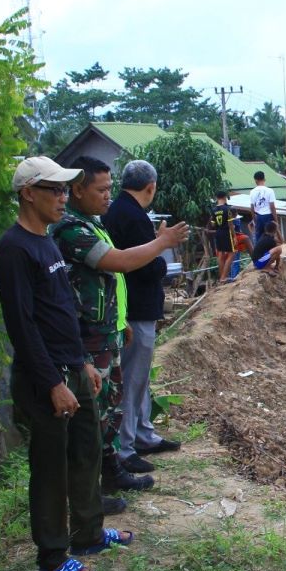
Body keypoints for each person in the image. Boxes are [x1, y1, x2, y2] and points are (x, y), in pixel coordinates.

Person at [0, 156, 133, 571]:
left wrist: (83, 363)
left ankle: (88, 534)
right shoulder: (14, 249)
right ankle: (53, 555)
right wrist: (54, 382)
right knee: (51, 467)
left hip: (73, 367)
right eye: (52, 190)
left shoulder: (47, 242)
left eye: (63, 189)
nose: (61, 197)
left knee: (86, 451)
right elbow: (24, 325)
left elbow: (63, 311)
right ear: (27, 193)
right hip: (46, 377)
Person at [52, 156, 188, 511]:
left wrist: (119, 319)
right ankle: (94, 487)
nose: (107, 195)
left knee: (111, 402)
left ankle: (112, 468)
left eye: (110, 188)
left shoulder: (95, 221)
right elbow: (121, 262)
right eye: (101, 189)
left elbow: (107, 280)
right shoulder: (72, 229)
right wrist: (162, 244)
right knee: (97, 410)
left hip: (111, 325)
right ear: (77, 189)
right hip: (92, 336)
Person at [102, 160, 183, 477]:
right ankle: (126, 447)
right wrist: (163, 260)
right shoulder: (133, 217)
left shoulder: (119, 212)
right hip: (135, 310)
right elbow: (146, 265)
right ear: (150, 187)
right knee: (132, 379)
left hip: (132, 308)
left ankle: (143, 434)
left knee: (139, 379)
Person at [206, 190, 236, 283]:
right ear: (224, 197)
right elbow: (230, 224)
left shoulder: (213, 210)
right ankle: (224, 277)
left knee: (220, 254)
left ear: (216, 198)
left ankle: (221, 277)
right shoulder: (228, 209)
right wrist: (234, 236)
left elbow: (213, 224)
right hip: (226, 232)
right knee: (232, 253)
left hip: (218, 232)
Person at [249, 170, 277, 243]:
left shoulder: (252, 192)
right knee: (270, 236)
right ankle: (269, 253)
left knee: (258, 237)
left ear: (255, 180)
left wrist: (254, 219)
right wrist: (276, 219)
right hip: (268, 216)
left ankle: (260, 253)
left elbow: (252, 207)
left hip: (258, 217)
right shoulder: (270, 191)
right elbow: (272, 207)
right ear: (264, 179)